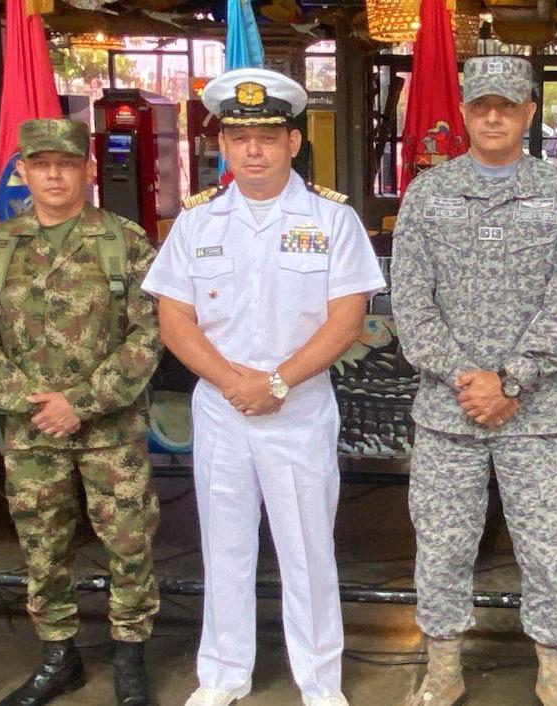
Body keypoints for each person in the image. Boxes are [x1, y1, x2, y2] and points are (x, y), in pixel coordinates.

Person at [141, 67, 385, 706]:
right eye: (239, 134)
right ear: (222, 143)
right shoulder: (197, 222)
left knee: (308, 552)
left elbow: (348, 317)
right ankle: (222, 674)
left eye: (268, 135)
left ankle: (319, 680)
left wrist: (277, 380)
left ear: (293, 143)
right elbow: (174, 317)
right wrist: (232, 381)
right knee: (223, 546)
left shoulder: (332, 219)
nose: (253, 148)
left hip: (298, 407)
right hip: (223, 410)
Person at [390, 54, 557, 706]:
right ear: (464, 111)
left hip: (534, 414)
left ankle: (554, 667)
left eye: (507, 105)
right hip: (448, 411)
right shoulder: (427, 195)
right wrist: (468, 379)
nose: (492, 116)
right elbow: (410, 307)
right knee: (444, 543)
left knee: (546, 543)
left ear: (529, 113)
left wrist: (512, 380)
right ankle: (444, 664)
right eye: (481, 104)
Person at [0, 118, 162, 706]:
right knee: (42, 545)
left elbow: (150, 335)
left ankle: (130, 655)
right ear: (21, 171)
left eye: (66, 164)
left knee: (128, 542)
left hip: (110, 430)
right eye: (41, 164)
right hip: (31, 433)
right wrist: (35, 405)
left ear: (88, 171)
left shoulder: (124, 242)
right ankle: (59, 654)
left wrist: (81, 403)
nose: (53, 174)